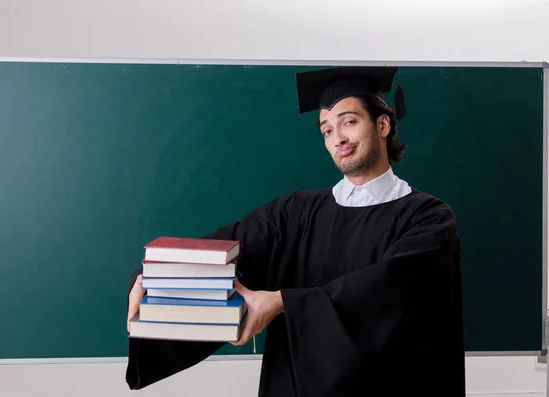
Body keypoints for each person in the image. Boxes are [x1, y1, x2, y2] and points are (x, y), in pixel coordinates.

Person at [125, 66, 466, 396]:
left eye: (348, 122)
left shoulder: (427, 218)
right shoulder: (296, 213)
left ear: (382, 124)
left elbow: (391, 292)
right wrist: (153, 280)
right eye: (327, 130)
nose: (339, 139)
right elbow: (225, 248)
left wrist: (279, 302)